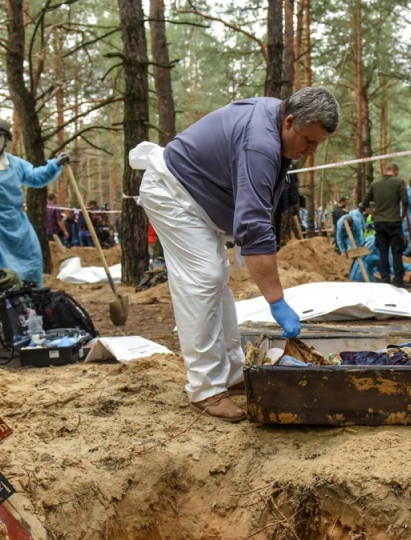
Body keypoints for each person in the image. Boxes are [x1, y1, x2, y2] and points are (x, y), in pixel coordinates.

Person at [133, 86, 339, 422]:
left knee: (218, 280)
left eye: (318, 143)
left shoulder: (276, 126)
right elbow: (254, 224)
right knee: (203, 280)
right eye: (308, 140)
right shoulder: (260, 143)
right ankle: (204, 389)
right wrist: (276, 301)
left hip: (196, 197)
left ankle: (229, 371)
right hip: (171, 191)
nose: (310, 150)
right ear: (289, 121)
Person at [0, 117, 69, 286]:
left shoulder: (16, 164)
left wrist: (54, 165)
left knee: (31, 263)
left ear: (5, 138)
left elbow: (35, 177)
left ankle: (29, 308)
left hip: (17, 224)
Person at [362, 162, 408, 288]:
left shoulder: (375, 184)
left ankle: (385, 279)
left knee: (382, 251)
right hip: (394, 222)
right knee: (396, 252)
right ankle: (398, 280)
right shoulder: (399, 182)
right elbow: (405, 201)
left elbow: (364, 203)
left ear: (385, 170)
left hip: (380, 223)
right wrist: (402, 217)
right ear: (395, 171)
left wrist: (373, 213)